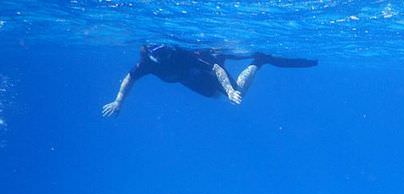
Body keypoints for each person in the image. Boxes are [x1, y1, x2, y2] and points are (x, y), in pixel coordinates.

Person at [102, 45, 317, 117]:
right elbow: (129, 79)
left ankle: (259, 61)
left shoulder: (180, 54)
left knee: (238, 91)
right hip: (192, 80)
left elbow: (215, 69)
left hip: (209, 68)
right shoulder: (147, 64)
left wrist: (231, 92)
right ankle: (244, 68)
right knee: (216, 97)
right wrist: (118, 101)